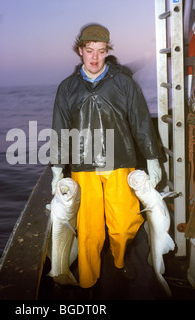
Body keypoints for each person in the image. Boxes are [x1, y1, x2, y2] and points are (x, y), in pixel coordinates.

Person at [50, 24, 162, 289]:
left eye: (101, 51)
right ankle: (88, 282)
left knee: (124, 225)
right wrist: (56, 168)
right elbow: (59, 129)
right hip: (82, 166)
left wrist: (153, 158)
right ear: (80, 51)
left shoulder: (124, 83)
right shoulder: (67, 88)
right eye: (89, 51)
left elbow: (141, 123)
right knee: (89, 231)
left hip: (120, 162)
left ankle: (119, 260)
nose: (95, 57)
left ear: (107, 52)